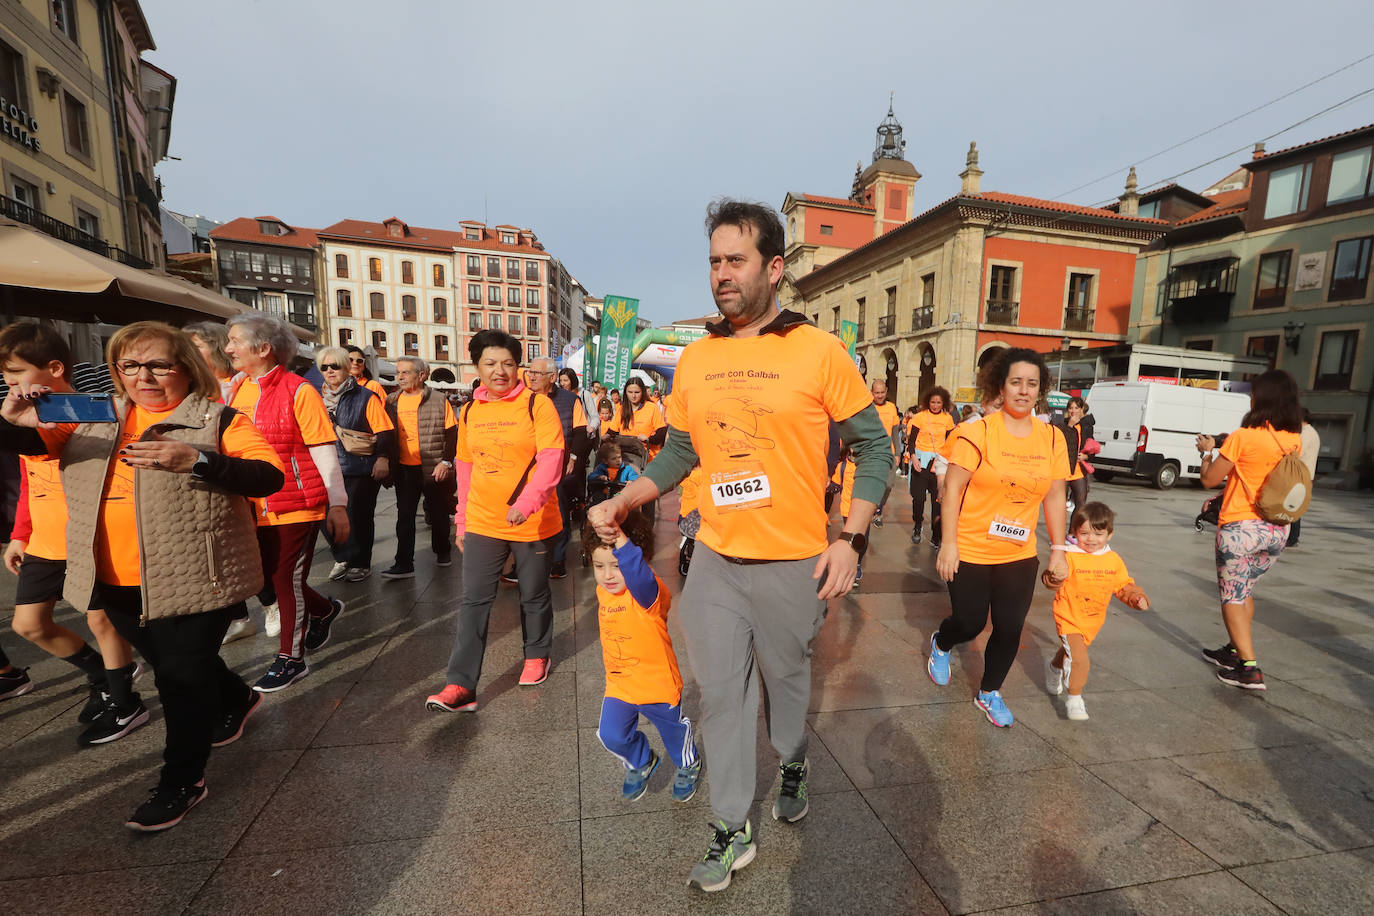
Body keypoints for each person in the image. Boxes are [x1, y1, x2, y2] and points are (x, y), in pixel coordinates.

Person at [588, 199, 892, 893]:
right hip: (718, 558)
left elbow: (874, 448)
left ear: (773, 267)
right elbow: (682, 454)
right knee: (722, 696)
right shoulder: (696, 358)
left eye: (737, 260)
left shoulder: (819, 350)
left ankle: (791, 757)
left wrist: (850, 538)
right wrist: (630, 495)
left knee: (785, 684)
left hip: (795, 561)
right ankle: (731, 826)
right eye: (715, 262)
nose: (722, 275)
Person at [0, 321, 284, 831]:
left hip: (196, 576)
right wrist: (12, 419)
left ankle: (183, 779)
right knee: (172, 663)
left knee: (179, 679)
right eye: (130, 365)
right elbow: (34, 449)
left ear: (186, 367)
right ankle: (238, 696)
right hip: (110, 579)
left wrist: (198, 460)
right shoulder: (93, 413)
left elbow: (268, 476)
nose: (144, 376)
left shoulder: (218, 418)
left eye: (158, 364)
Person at [0, 322, 141, 744]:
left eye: (16, 375)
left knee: (103, 621)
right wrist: (20, 534)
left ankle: (125, 702)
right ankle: (102, 675)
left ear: (55, 368)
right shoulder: (29, 414)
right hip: (43, 539)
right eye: (6, 379)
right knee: (29, 624)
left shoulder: (85, 409)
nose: (11, 385)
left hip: (86, 536)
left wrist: (13, 421)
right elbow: (29, 478)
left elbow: (40, 447)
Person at [425, 330, 565, 712]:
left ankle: (537, 653)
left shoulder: (538, 406)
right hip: (485, 521)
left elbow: (552, 459)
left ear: (518, 367)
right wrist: (462, 521)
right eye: (490, 363)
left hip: (531, 520)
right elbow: (466, 469)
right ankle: (460, 685)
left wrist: (528, 501)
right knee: (474, 600)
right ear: (477, 367)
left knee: (533, 592)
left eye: (507, 363)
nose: (499, 371)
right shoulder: (470, 410)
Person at [930, 347, 1069, 728]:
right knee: (970, 623)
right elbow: (953, 489)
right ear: (1001, 387)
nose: (1024, 391)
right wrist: (950, 543)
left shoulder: (1053, 438)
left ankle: (989, 692)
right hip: (971, 549)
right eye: (1016, 383)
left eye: (1032, 384)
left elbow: (1056, 496)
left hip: (1019, 553)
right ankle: (942, 642)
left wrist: (1059, 549)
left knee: (1009, 628)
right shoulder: (977, 432)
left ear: (1040, 390)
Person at [226, 313, 349, 692]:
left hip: (295, 501)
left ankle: (290, 660)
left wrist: (338, 503)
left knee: (285, 580)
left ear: (263, 349)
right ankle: (325, 610)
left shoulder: (300, 390)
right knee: (268, 578)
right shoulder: (235, 389)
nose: (228, 348)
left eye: (235, 340)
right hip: (252, 504)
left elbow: (323, 449)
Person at [1196, 369, 1303, 691]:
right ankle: (1233, 649)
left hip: (1240, 529)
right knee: (1245, 590)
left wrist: (1206, 452)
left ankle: (1249, 667)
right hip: (1276, 529)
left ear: (1260, 398)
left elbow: (1209, 479)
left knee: (1231, 596)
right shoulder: (1292, 439)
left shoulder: (1244, 436)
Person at [584, 512, 701, 803]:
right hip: (621, 684)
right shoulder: (604, 591)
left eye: (616, 566)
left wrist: (620, 538)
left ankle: (688, 763)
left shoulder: (647, 592)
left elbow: (637, 574)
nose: (608, 575)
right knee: (611, 734)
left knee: (674, 733)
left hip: (656, 682)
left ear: (639, 561)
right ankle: (642, 760)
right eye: (599, 566)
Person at [1043, 501, 1149, 721]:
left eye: (1098, 534)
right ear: (1074, 532)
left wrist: (1136, 597)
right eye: (1084, 533)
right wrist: (1054, 576)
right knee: (1080, 659)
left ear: (1109, 534)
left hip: (1092, 619)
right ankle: (1075, 699)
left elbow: (1123, 585)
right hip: (1069, 615)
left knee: (1072, 652)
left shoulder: (1113, 560)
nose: (1091, 539)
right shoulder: (1069, 556)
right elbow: (1050, 579)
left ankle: (1054, 667)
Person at [317, 347, 395, 583]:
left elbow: (384, 431)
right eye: (324, 367)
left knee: (358, 517)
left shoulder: (365, 396)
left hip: (359, 467)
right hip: (326, 468)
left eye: (335, 366)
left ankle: (360, 562)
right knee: (322, 516)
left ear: (345, 368)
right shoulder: (313, 397)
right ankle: (343, 556)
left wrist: (383, 458)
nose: (330, 371)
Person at [380, 357, 457, 579]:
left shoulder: (439, 399)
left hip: (433, 467)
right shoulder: (391, 401)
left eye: (405, 373)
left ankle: (443, 551)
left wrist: (446, 461)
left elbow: (452, 433)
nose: (400, 377)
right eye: (398, 373)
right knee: (405, 516)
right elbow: (385, 433)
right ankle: (404, 562)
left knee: (438, 513)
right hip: (404, 468)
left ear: (422, 375)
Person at [527, 357, 589, 579]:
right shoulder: (525, 398)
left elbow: (581, 431)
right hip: (527, 466)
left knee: (559, 510)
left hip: (558, 465)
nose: (531, 377)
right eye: (530, 372)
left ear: (552, 378)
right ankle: (526, 560)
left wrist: (573, 457)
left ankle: (558, 559)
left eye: (537, 373)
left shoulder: (570, 399)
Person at [907, 386, 955, 546]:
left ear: (943, 403)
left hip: (938, 464)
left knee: (937, 501)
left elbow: (951, 443)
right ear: (928, 402)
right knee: (919, 498)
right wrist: (913, 458)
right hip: (920, 461)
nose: (935, 405)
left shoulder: (948, 419)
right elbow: (911, 441)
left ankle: (936, 534)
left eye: (938, 402)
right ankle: (918, 524)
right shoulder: (920, 417)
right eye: (933, 402)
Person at [868, 380, 901, 527]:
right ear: (872, 393)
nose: (879, 395)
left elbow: (895, 433)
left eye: (882, 392)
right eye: (877, 393)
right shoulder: (867, 407)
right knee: (872, 484)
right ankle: (873, 512)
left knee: (888, 485)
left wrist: (898, 453)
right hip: (872, 452)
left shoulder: (892, 407)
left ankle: (878, 509)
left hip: (889, 452)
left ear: (886, 391)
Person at [184, 321, 239, 403]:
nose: (188, 351)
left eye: (196, 347)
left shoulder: (242, 385)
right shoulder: (184, 386)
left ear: (219, 350)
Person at [1287, 409, 1320, 548]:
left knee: (1292, 505)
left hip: (1301, 474)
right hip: (1303, 474)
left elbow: (1297, 451)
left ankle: (1293, 537)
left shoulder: (1306, 433)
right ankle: (1292, 536)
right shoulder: (1309, 432)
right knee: (1293, 505)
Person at [614, 378, 666, 461]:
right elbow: (612, 430)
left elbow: (662, 432)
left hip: (648, 457)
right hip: (625, 455)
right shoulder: (621, 409)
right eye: (630, 392)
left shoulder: (651, 408)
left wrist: (648, 439)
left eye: (637, 392)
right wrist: (607, 436)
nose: (633, 396)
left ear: (642, 392)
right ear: (625, 393)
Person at [1060, 396, 1094, 511]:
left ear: (1081, 409)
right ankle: (1059, 529)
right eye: (1070, 408)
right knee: (1060, 505)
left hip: (1078, 470)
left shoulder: (1085, 426)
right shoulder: (1062, 425)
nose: (1073, 411)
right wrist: (1070, 425)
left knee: (1081, 504)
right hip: (1063, 469)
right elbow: (1060, 443)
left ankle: (1073, 530)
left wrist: (1087, 456)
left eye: (1076, 408)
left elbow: (1092, 445)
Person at [588, 439, 640, 505]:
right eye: (614, 459)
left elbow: (636, 477)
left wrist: (631, 481)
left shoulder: (627, 469)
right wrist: (599, 477)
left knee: (621, 498)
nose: (618, 460)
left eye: (619, 457)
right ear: (605, 461)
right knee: (597, 497)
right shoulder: (601, 468)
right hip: (604, 494)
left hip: (620, 494)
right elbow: (591, 476)